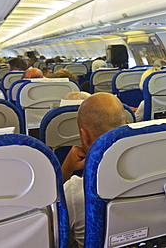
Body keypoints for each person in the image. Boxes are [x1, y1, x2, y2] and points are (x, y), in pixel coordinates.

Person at [62, 93, 127, 247]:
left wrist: (66, 169)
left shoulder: (75, 191)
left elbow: (50, 218)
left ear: (85, 137)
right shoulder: (151, 175)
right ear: (127, 126)